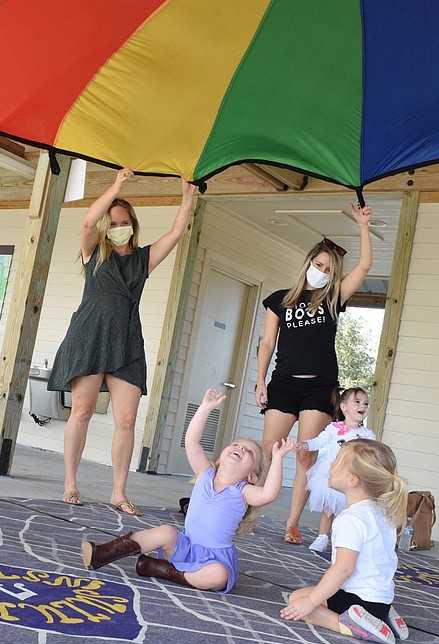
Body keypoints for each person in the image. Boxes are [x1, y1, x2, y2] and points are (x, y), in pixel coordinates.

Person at [48, 168, 198, 514]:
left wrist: (188, 197)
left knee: (127, 421)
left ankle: (119, 491)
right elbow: (87, 223)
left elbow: (176, 233)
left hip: (127, 341)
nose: (118, 228)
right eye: (113, 222)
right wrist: (116, 185)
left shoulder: (143, 259)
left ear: (133, 223)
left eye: (123, 221)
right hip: (89, 336)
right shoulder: (95, 253)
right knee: (82, 411)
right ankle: (71, 482)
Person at [81, 389, 294, 593]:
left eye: (248, 452)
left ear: (251, 476)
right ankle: (104, 553)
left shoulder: (244, 491)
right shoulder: (205, 472)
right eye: (237, 445)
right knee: (166, 531)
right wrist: (205, 408)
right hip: (184, 546)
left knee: (218, 576)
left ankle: (161, 569)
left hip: (214, 559)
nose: (240, 449)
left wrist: (278, 459)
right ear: (220, 458)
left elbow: (269, 494)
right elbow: (192, 441)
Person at [257, 203, 374, 545]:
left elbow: (365, 265)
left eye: (328, 268)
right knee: (268, 451)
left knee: (305, 456)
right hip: (283, 385)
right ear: (308, 263)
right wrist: (260, 379)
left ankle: (291, 524)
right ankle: (244, 509)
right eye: (318, 264)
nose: (321, 271)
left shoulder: (332, 298)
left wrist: (363, 225)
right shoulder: (279, 300)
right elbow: (266, 342)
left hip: (319, 389)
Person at [280, 439, 410, 644]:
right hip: (381, 599)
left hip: (358, 600)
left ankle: (354, 625)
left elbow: (343, 569)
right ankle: (382, 617)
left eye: (337, 461)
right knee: (308, 594)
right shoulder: (383, 513)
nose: (330, 464)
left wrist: (310, 602)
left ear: (352, 480)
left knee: (297, 599)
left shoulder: (351, 519)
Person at [298, 387, 376, 553]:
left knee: (350, 509)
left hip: (355, 476)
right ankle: (322, 537)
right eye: (357, 402)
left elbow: (372, 454)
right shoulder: (334, 428)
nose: (362, 405)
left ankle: (344, 539)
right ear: (344, 407)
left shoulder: (367, 434)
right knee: (329, 506)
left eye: (366, 403)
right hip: (333, 473)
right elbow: (319, 442)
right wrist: (305, 445)